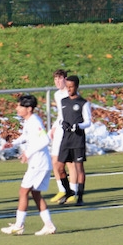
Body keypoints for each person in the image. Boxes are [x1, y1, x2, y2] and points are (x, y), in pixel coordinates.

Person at [2, 94, 56, 236]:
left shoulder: (34, 121)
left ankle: (19, 225)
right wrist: (13, 143)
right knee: (35, 193)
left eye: (20, 106)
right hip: (39, 163)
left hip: (39, 163)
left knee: (23, 192)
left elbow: (45, 140)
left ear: (29, 108)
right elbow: (26, 136)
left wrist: (28, 152)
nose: (17, 108)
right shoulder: (29, 121)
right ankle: (49, 225)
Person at [56, 75, 92, 205]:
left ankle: (80, 197)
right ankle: (68, 191)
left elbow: (88, 122)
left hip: (78, 139)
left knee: (79, 168)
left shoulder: (83, 103)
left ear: (76, 87)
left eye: (71, 87)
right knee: (59, 167)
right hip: (66, 139)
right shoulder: (63, 101)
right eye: (67, 87)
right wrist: (62, 123)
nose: (69, 89)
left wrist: (79, 126)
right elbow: (61, 117)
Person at [48, 69, 74, 203]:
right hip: (59, 130)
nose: (57, 82)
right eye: (55, 79)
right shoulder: (57, 95)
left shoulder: (71, 94)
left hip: (69, 131)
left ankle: (73, 192)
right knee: (55, 161)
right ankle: (62, 190)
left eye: (60, 79)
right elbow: (60, 114)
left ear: (65, 79)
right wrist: (54, 127)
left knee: (70, 163)